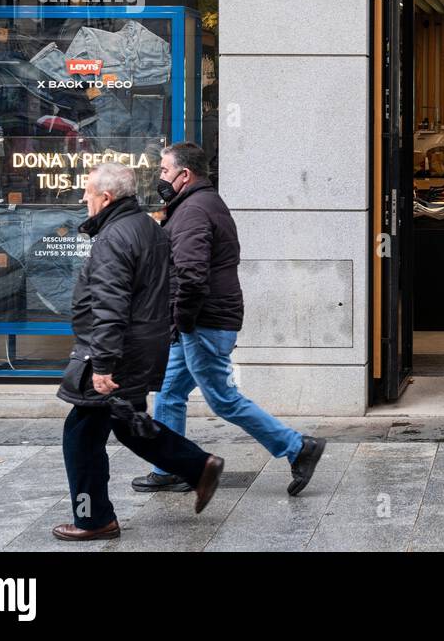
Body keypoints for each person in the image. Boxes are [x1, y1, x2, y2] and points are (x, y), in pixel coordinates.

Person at [132, 142, 326, 497]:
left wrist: (183, 322)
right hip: (201, 320)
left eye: (163, 171)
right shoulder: (199, 203)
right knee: (170, 393)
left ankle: (299, 447)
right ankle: (167, 468)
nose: (159, 177)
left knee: (222, 398)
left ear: (184, 175)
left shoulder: (192, 210)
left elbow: (191, 275)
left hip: (203, 322)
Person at [54, 162, 224, 542]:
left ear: (107, 197)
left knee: (80, 434)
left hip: (116, 353)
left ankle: (93, 519)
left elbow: (111, 307)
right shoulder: (147, 227)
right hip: (140, 348)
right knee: (127, 422)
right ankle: (199, 467)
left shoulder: (115, 238)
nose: (83, 198)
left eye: (88, 192)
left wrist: (103, 364)